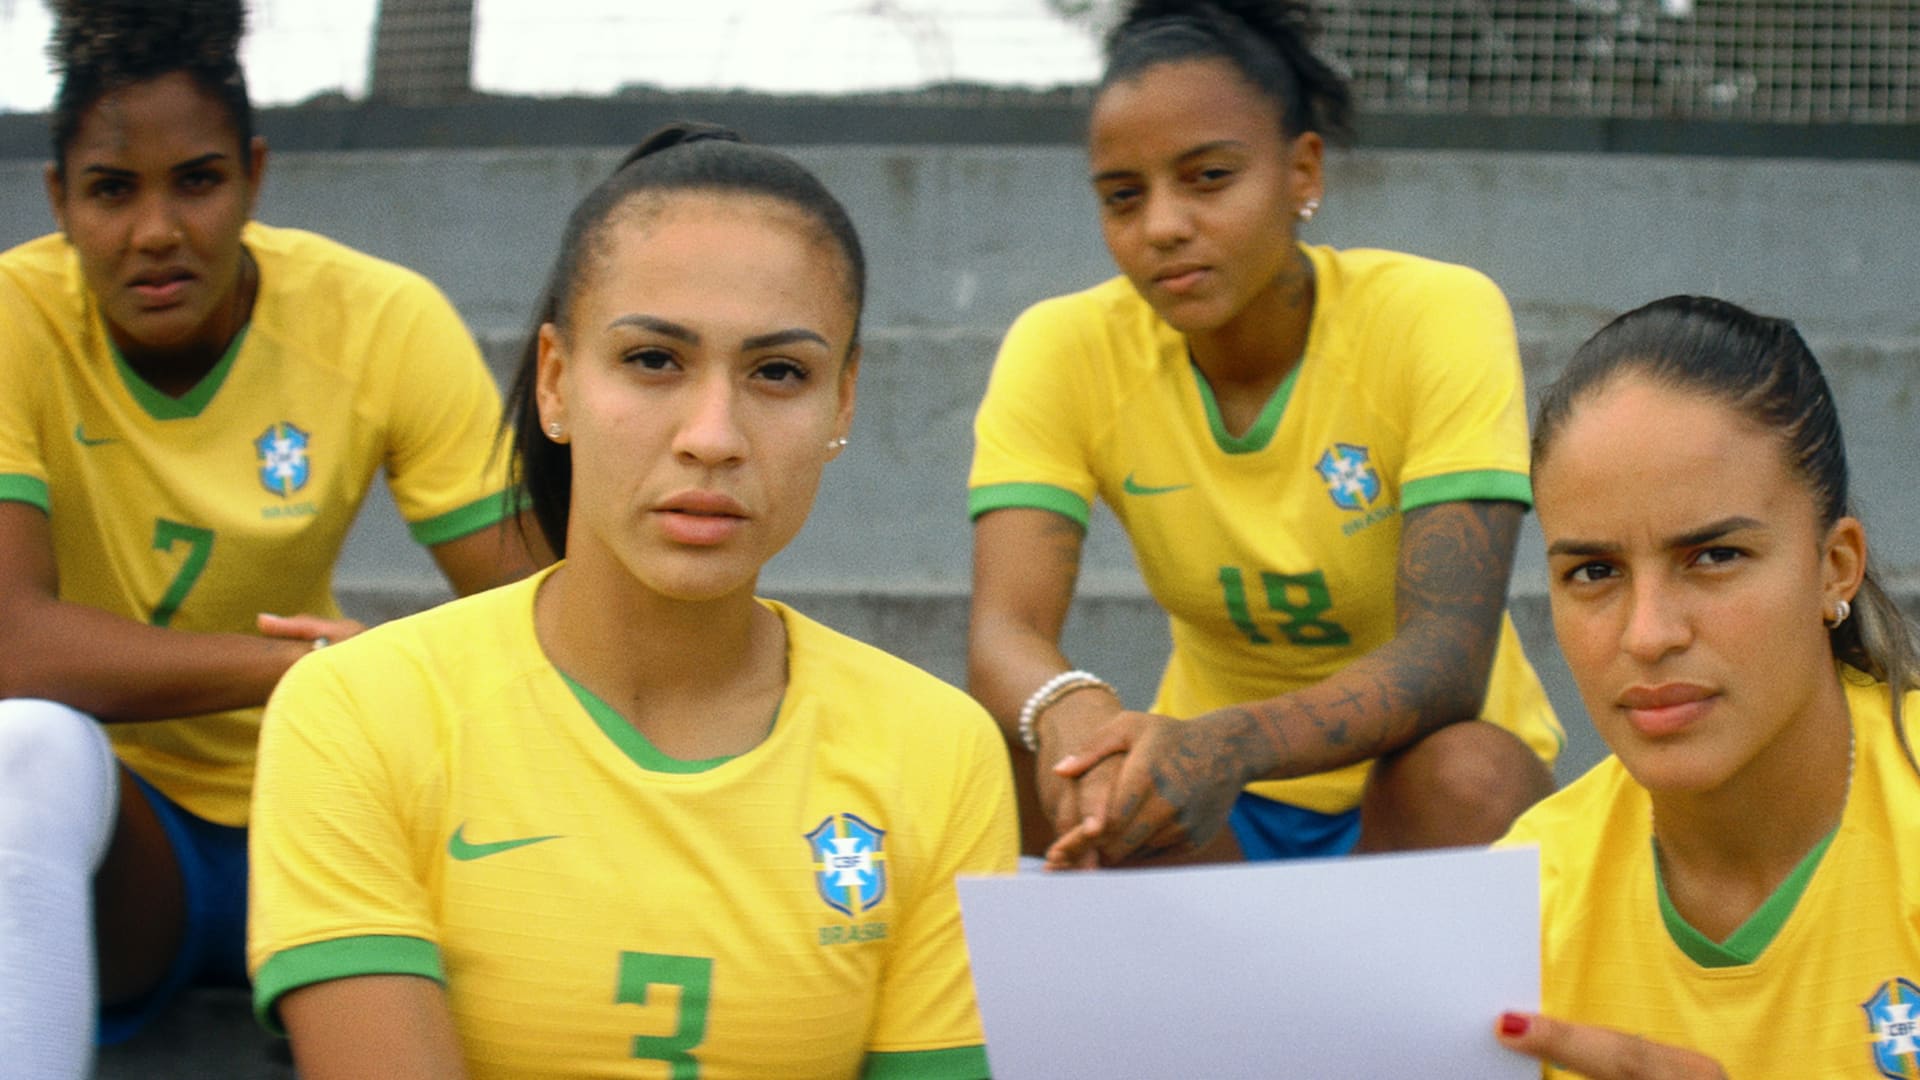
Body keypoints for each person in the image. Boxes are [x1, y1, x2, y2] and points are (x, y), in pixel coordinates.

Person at [246, 124, 1019, 1080]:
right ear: (557, 382)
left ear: (844, 404)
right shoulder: (358, 713)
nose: (713, 435)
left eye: (779, 373)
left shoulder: (938, 752)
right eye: (654, 360)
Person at [0, 1, 538, 1073]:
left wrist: (367, 699)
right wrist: (309, 666)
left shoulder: (379, 320)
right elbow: (14, 648)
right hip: (125, 850)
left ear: (253, 174)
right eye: (112, 190)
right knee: (27, 749)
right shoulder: (13, 319)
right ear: (58, 198)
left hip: (334, 817)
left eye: (196, 180)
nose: (157, 231)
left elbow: (536, 611)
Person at [967, 0, 1562, 868]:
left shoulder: (1434, 314)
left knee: (1469, 772)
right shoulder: (1063, 349)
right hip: (1214, 811)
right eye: (1123, 197)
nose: (1163, 225)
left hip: (1416, 790)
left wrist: (1225, 745)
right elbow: (1002, 631)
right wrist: (1073, 709)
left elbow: (1445, 661)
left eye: (1208, 178)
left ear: (1303, 173)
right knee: (1027, 765)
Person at [1491, 295, 1920, 1078]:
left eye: (1714, 556)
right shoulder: (1523, 910)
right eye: (1593, 572)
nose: (1648, 634)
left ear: (1836, 568)